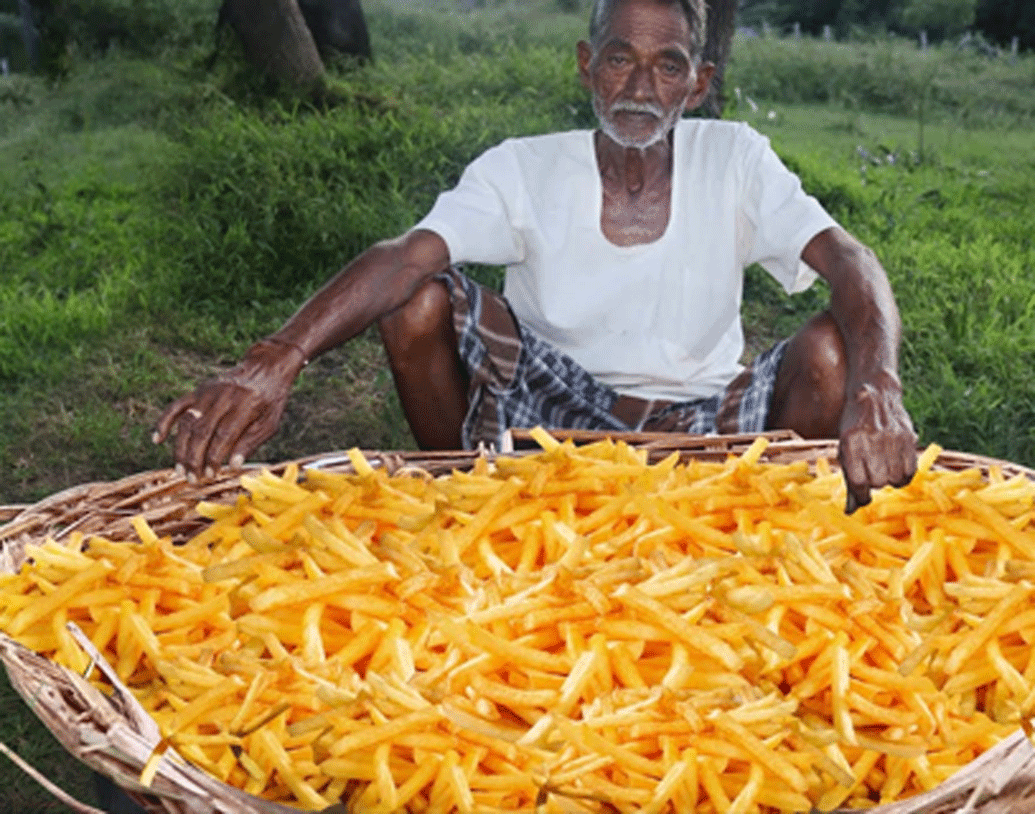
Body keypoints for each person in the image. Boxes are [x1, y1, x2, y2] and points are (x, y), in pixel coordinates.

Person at [154, 0, 917, 512]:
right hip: (547, 415)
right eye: (620, 61)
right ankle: (461, 501)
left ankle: (775, 526)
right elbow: (404, 255)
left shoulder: (735, 158)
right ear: (586, 65)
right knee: (415, 299)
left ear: (698, 83)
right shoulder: (523, 166)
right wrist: (276, 358)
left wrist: (877, 383)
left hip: (706, 422)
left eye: (667, 66)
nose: (640, 89)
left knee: (825, 352)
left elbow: (851, 261)